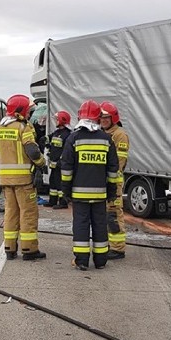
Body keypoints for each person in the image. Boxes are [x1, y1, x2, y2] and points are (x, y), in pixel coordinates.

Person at [0, 94, 47, 261]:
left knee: (10, 213)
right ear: (22, 110)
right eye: (29, 110)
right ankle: (29, 249)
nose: (30, 113)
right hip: (24, 180)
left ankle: (10, 249)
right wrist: (41, 163)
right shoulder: (23, 128)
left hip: (6, 179)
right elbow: (32, 151)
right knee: (28, 213)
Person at [60, 100, 121, 271]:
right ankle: (101, 261)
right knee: (100, 224)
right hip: (100, 194)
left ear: (80, 116)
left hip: (79, 195)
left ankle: (82, 261)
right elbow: (112, 169)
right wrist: (111, 191)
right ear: (98, 117)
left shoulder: (74, 138)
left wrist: (65, 191)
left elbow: (66, 168)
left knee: (81, 225)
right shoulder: (106, 139)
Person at [99, 101, 129, 259]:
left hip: (114, 183)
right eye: (101, 117)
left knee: (113, 214)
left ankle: (118, 249)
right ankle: (111, 244)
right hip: (102, 182)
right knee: (105, 215)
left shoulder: (119, 135)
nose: (103, 120)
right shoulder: (102, 133)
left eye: (106, 117)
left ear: (113, 118)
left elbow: (119, 162)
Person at [45, 110, 72, 209]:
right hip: (54, 164)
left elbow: (66, 150)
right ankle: (52, 201)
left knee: (60, 184)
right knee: (53, 182)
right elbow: (51, 140)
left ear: (62, 120)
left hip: (61, 165)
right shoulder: (57, 132)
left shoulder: (67, 134)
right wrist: (46, 140)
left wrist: (61, 161)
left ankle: (63, 202)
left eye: (57, 119)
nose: (55, 121)